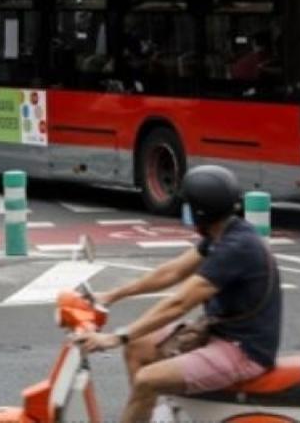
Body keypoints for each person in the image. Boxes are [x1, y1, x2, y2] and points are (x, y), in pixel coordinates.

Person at [74, 165, 280, 423]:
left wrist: (116, 338)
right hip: (220, 334)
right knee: (138, 349)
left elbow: (179, 303)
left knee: (146, 381)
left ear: (198, 212)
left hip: (243, 351)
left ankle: (143, 404)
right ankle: (147, 413)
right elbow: (171, 272)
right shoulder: (223, 234)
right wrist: (112, 295)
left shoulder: (236, 248)